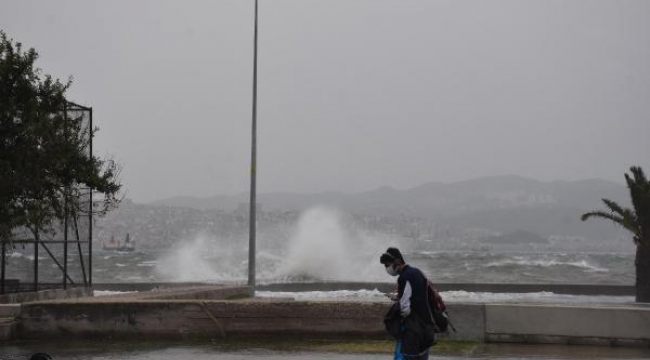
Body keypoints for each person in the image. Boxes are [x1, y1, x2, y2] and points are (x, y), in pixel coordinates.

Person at [380, 247, 435, 360]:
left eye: (387, 265)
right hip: (426, 326)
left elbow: (405, 308)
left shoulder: (405, 277)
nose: (387, 268)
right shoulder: (417, 272)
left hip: (414, 329)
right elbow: (418, 295)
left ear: (397, 262)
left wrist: (401, 313)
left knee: (407, 357)